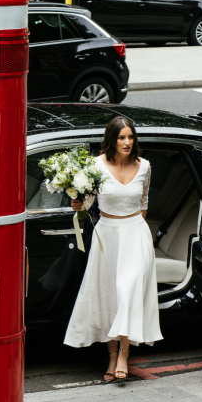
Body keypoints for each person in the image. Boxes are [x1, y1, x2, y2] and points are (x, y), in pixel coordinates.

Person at [64, 116, 163, 382]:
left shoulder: (145, 166)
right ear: (112, 139)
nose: (127, 142)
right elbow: (86, 204)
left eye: (131, 137)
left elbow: (144, 203)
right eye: (121, 137)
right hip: (106, 236)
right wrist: (78, 204)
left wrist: (133, 229)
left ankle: (123, 354)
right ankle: (110, 357)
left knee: (128, 291)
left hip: (135, 235)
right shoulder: (95, 166)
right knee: (109, 298)